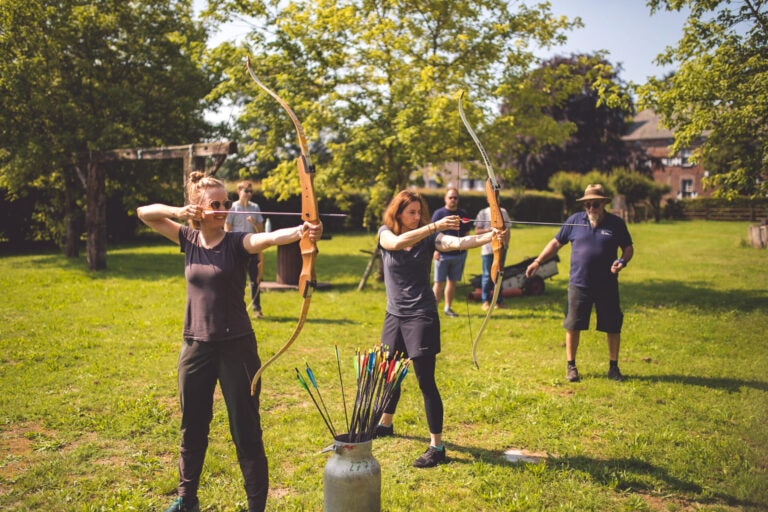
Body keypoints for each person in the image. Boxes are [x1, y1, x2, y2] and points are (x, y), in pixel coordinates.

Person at [137, 172, 322, 512]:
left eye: (225, 203)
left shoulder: (238, 242)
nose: (223, 209)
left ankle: (256, 507)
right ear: (199, 207)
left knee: (246, 429)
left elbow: (266, 240)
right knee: (192, 426)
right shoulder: (188, 239)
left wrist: (300, 231)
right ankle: (186, 499)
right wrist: (179, 212)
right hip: (195, 346)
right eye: (216, 204)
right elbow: (143, 212)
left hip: (237, 348)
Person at [375, 190, 506, 468]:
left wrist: (491, 236)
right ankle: (385, 423)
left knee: (425, 381)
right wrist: (433, 225)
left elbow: (457, 241)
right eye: (410, 212)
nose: (416, 216)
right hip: (393, 315)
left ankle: (437, 446)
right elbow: (396, 243)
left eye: (419, 212)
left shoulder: (430, 237)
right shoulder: (386, 233)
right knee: (390, 374)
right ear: (397, 213)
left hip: (420, 314)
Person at [524, 184, 633, 383]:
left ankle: (613, 367)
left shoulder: (616, 223)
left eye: (595, 204)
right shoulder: (575, 221)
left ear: (603, 204)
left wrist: (622, 261)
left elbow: (628, 247)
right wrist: (538, 261)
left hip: (607, 284)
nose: (591, 209)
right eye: (588, 205)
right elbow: (556, 243)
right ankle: (571, 366)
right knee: (573, 325)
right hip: (579, 283)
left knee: (613, 326)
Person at [225, 180, 265, 318]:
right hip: (236, 249)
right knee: (235, 280)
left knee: (255, 280)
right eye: (246, 191)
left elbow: (261, 231)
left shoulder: (255, 208)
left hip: (252, 248)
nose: (249, 194)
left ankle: (256, 309)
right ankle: (234, 309)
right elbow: (227, 228)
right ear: (239, 192)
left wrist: (254, 223)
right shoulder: (233, 207)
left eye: (251, 191)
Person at [431, 186, 470, 317]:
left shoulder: (463, 214)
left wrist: (464, 247)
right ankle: (433, 310)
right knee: (438, 283)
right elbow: (432, 234)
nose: (453, 200)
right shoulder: (439, 214)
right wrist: (435, 251)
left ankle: (448, 308)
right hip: (442, 255)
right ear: (445, 198)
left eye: (455, 197)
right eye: (450, 197)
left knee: (452, 282)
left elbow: (466, 233)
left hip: (459, 255)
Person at [475, 200, 511, 311]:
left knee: (499, 275)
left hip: (501, 248)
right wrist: (490, 230)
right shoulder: (483, 213)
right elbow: (477, 231)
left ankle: (498, 301)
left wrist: (506, 243)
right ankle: (485, 301)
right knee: (486, 276)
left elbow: (508, 229)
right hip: (487, 249)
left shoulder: (503, 212)